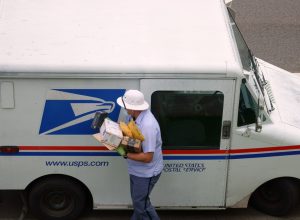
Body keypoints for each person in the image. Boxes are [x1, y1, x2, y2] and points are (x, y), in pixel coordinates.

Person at [116, 89, 163, 220]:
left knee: (141, 205)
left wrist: (124, 154)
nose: (123, 108)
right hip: (136, 169)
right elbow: (130, 137)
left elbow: (147, 157)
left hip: (146, 172)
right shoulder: (132, 117)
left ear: (132, 107)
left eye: (124, 105)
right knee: (139, 202)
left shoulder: (148, 125)